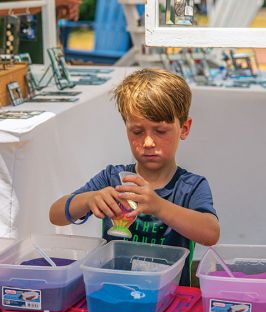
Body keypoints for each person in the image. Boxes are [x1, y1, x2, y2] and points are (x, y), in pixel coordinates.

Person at [49, 68, 220, 285]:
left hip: (169, 297)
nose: (148, 142)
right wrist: (89, 199)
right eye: (138, 132)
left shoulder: (191, 186)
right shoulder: (112, 178)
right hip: (113, 290)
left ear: (184, 129)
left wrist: (159, 206)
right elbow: (56, 214)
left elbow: (210, 233)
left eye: (160, 131)